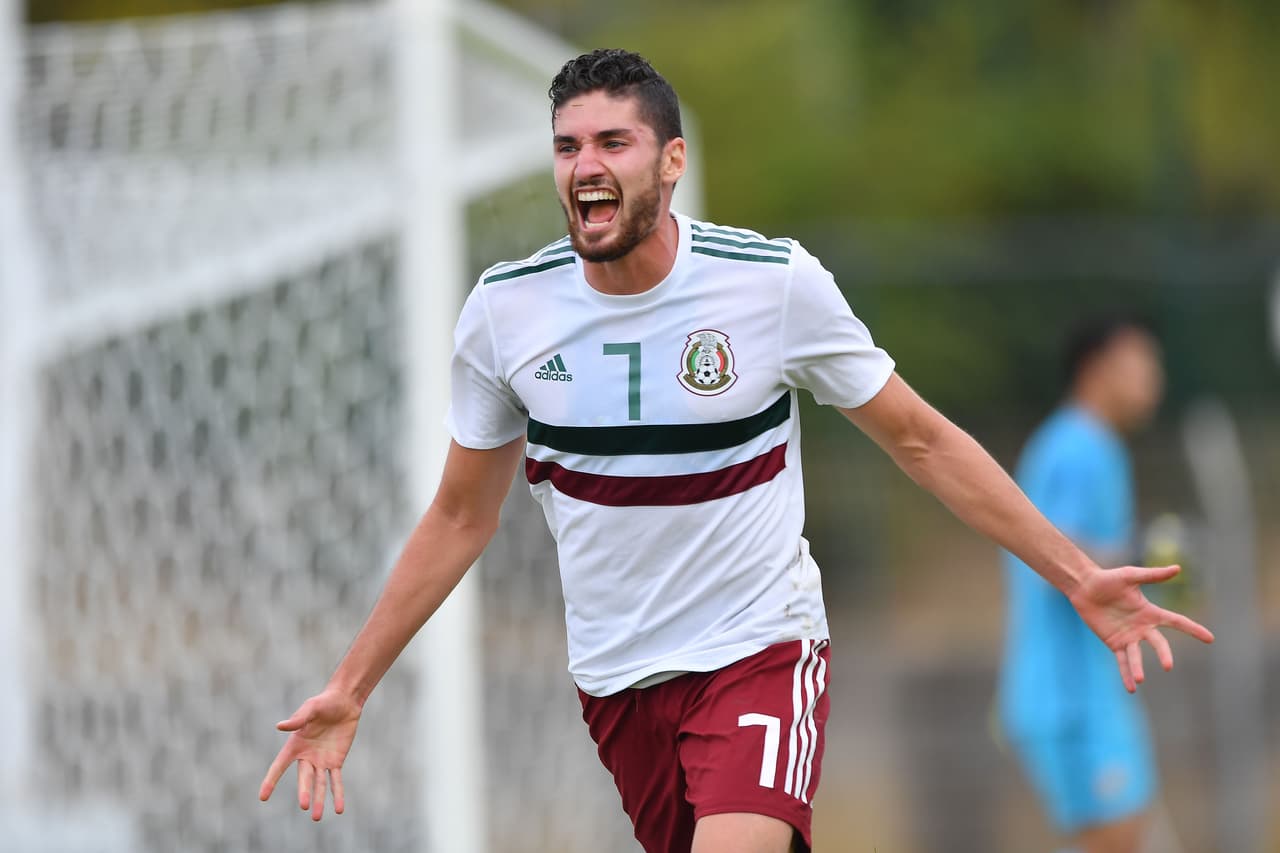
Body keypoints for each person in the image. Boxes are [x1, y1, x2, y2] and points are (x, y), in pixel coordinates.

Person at [258, 50, 1212, 853]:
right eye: (567, 146)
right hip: (618, 681)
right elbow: (461, 514)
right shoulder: (505, 314)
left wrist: (1075, 572)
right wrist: (351, 684)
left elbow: (921, 439)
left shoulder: (773, 286)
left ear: (671, 162)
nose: (585, 165)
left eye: (612, 143)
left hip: (761, 649)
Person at [998, 318, 1174, 853]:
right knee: (1115, 839)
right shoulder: (1080, 446)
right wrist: (1146, 557)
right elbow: (1054, 558)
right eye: (1141, 363)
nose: (1153, 378)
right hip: (1070, 696)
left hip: (1091, 690)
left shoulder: (1088, 444)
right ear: (1096, 368)